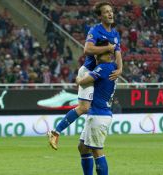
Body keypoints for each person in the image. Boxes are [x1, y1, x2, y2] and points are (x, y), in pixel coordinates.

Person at [47, 1, 122, 150]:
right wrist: (107, 47)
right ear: (100, 16)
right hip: (89, 71)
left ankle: (81, 134)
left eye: (111, 11)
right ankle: (55, 132)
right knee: (84, 107)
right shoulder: (95, 30)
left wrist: (120, 69)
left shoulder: (115, 33)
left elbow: (118, 52)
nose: (110, 13)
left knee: (94, 106)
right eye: (106, 11)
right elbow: (87, 49)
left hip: (102, 73)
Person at [76, 43, 117, 175]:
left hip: (99, 115)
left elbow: (83, 81)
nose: (97, 57)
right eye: (97, 54)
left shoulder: (104, 68)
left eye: (101, 54)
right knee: (82, 147)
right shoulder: (113, 67)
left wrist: (78, 78)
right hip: (98, 113)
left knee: (97, 150)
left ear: (109, 55)